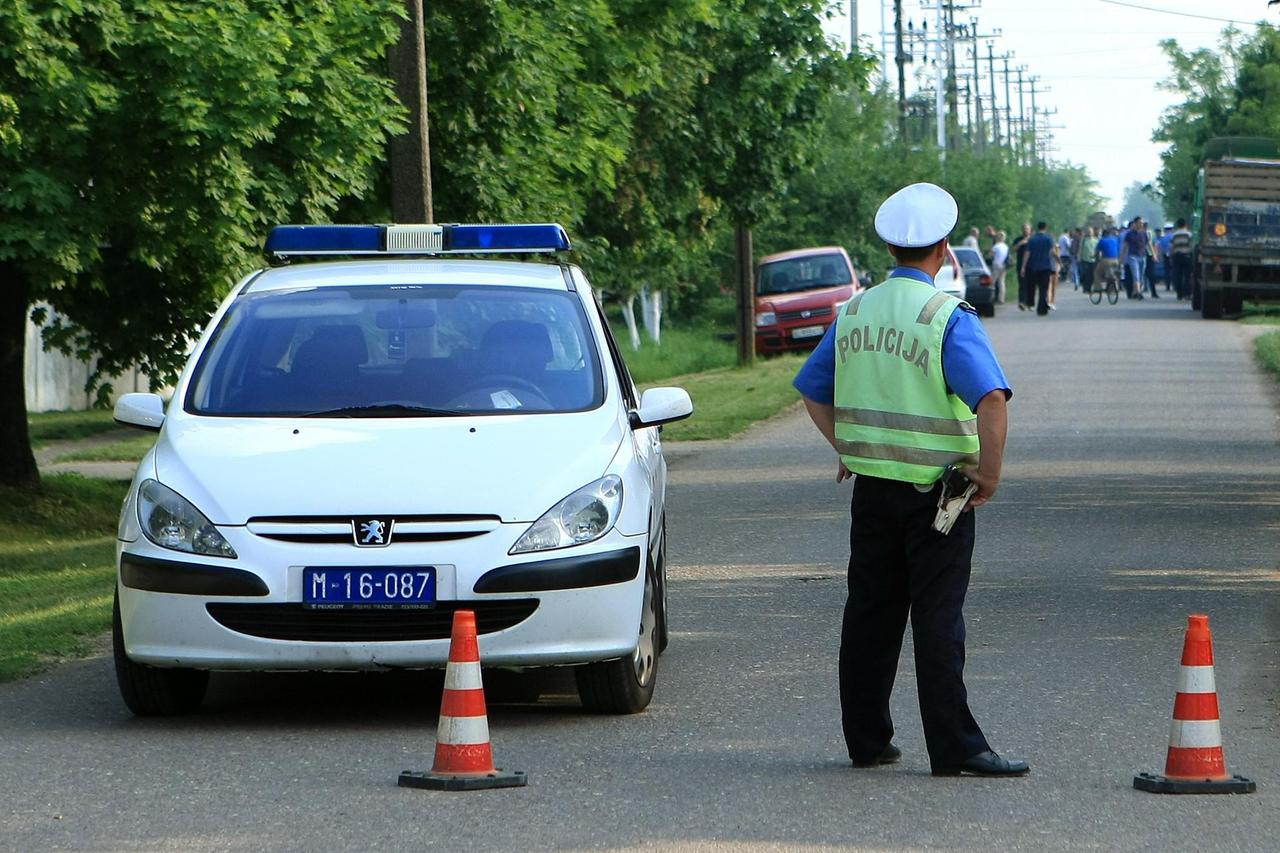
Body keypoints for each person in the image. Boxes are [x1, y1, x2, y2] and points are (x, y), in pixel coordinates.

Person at [792, 181, 1027, 778]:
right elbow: (992, 399)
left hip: (873, 492)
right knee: (937, 619)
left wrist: (849, 445)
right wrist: (990, 475)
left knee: (869, 614)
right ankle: (956, 748)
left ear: (891, 249)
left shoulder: (855, 311)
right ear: (944, 249)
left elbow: (812, 391)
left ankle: (866, 740)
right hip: (939, 496)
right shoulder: (943, 315)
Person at [1020, 221, 1055, 315]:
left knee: (1033, 287)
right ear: (1045, 227)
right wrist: (1058, 261)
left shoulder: (1032, 239)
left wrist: (1023, 267)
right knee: (1043, 288)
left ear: (1037, 227)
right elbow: (1052, 252)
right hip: (1046, 267)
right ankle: (1042, 308)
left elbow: (1027, 253)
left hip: (1033, 267)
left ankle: (1031, 303)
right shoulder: (1048, 239)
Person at [1120, 218, 1153, 299]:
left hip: (1142, 256)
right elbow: (1125, 247)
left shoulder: (1144, 233)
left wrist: (1153, 255)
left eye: (1142, 223)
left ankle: (1136, 292)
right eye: (1139, 223)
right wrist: (1121, 258)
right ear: (1135, 223)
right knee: (1136, 275)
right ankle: (1138, 292)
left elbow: (1149, 244)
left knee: (1141, 276)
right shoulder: (1129, 234)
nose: (1141, 224)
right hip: (1133, 257)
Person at [1169, 217, 1194, 300]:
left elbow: (1172, 247)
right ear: (1185, 224)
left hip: (1177, 257)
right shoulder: (1189, 234)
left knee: (1178, 275)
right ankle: (1187, 294)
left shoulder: (1174, 235)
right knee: (1187, 276)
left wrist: (1171, 257)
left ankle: (1179, 294)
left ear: (1177, 225)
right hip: (1187, 256)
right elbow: (1191, 246)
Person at [1011, 223, 1033, 310]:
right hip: (1021, 264)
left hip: (1032, 264)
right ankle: (1022, 302)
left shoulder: (1033, 239)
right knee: (1022, 284)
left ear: (1030, 230)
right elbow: (1013, 250)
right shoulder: (1018, 239)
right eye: (1024, 228)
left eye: (1027, 229)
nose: (1025, 230)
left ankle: (1029, 303)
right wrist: (1020, 243)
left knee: (1031, 284)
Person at [1094, 227, 1121, 293]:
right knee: (1111, 273)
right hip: (1116, 260)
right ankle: (1112, 287)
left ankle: (1098, 288)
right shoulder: (1115, 239)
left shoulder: (1102, 240)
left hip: (1106, 260)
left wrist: (1096, 258)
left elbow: (1097, 251)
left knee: (1097, 273)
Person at [990, 231, 1009, 303]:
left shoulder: (996, 246)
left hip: (996, 265)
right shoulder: (1006, 246)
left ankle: (991, 297)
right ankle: (1001, 299)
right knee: (1001, 282)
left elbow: (991, 255)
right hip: (1004, 265)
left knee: (992, 282)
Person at [1079, 226, 1099, 294]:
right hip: (1085, 259)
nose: (1089, 233)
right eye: (1088, 232)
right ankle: (1086, 288)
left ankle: (1091, 287)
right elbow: (1081, 249)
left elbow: (1098, 250)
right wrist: (1079, 257)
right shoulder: (1084, 240)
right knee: (1087, 274)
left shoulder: (1096, 240)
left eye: (1090, 232)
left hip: (1093, 260)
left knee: (1093, 275)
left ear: (1093, 232)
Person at [1156, 223, 1175, 292]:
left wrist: (1159, 257)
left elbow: (1160, 248)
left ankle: (1168, 286)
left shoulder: (1162, 238)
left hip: (1166, 256)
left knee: (1167, 271)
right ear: (1172, 229)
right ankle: (1174, 286)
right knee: (1174, 271)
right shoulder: (1174, 236)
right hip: (1173, 256)